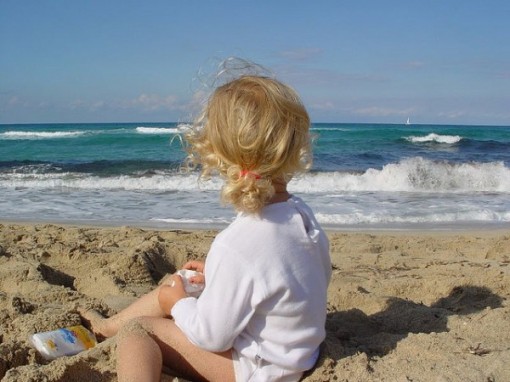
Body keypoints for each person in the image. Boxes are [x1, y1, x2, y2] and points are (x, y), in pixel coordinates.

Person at [81, 67, 331, 382]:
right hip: (298, 354)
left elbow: (212, 336)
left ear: (217, 153)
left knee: (140, 330)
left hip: (260, 369)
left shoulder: (239, 242)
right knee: (183, 281)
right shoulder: (301, 214)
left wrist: (179, 305)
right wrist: (217, 273)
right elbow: (303, 274)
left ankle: (118, 329)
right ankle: (104, 329)